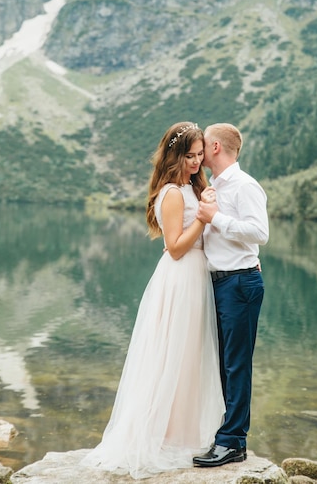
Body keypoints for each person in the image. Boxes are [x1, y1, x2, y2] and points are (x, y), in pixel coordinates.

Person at [81, 121, 225, 480]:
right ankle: (158, 435)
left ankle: (179, 434)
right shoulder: (172, 194)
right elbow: (175, 248)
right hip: (180, 279)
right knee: (170, 355)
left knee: (188, 357)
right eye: (189, 156)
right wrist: (205, 221)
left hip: (196, 278)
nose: (196, 162)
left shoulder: (191, 187)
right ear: (175, 156)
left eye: (199, 156)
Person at [193, 122, 269, 468]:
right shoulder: (215, 186)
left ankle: (233, 443)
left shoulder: (243, 185)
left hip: (239, 284)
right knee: (223, 364)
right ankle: (226, 434)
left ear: (216, 148)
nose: (198, 149)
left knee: (236, 365)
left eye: (203, 145)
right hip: (222, 283)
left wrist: (217, 218)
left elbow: (259, 233)